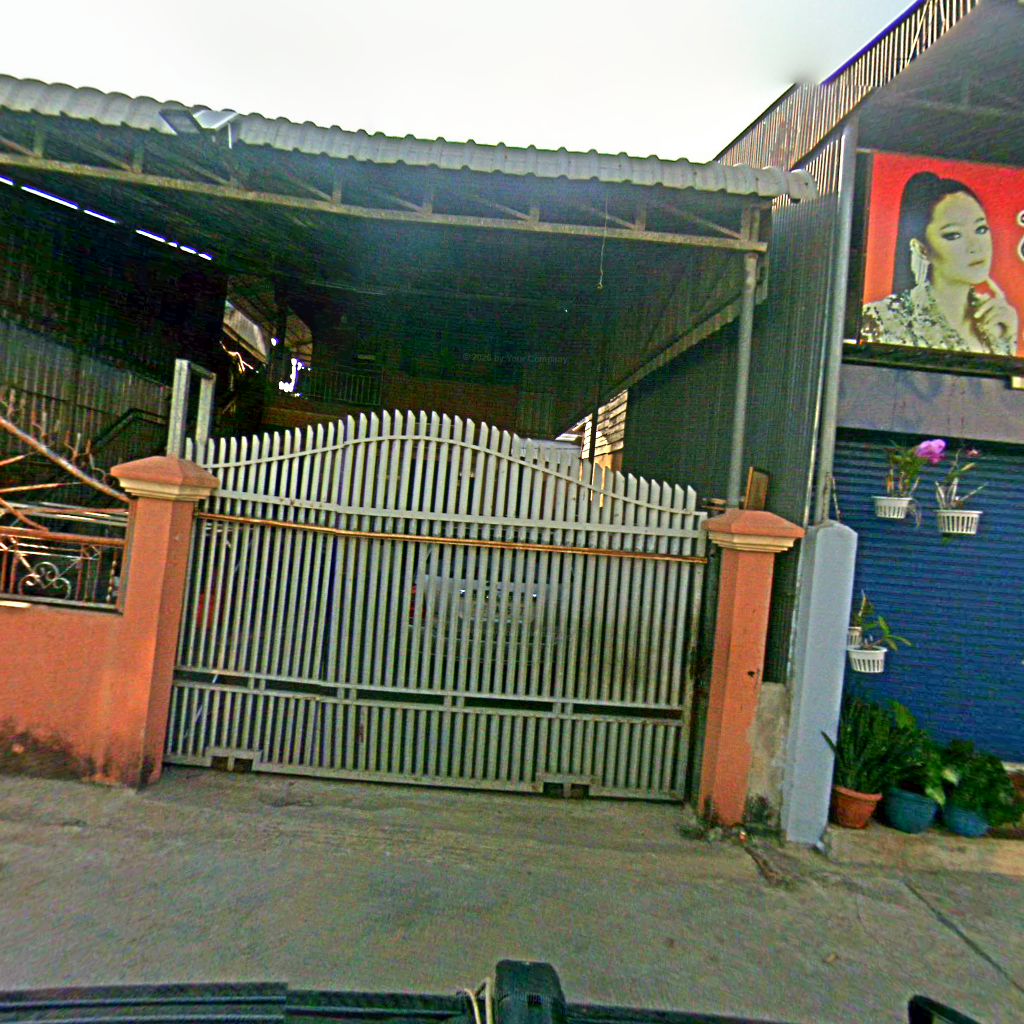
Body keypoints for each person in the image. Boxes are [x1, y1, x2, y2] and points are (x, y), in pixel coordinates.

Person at [860, 171, 1019, 356]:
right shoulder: (881, 320)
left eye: (981, 229)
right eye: (954, 235)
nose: (975, 246)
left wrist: (1006, 342)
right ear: (922, 249)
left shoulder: (997, 319)